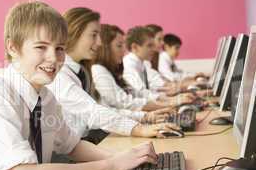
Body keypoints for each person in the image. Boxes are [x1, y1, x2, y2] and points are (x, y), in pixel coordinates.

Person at [0, 1, 158, 170]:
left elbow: (73, 146)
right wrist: (111, 165)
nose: (53, 58)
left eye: (60, 48)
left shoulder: (46, 97)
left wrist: (127, 159)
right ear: (12, 47)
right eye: (41, 47)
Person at [48, 8, 179, 142]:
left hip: (83, 143)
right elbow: (94, 112)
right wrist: (139, 127)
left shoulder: (82, 71)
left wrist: (143, 117)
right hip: (73, 149)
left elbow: (104, 109)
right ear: (73, 33)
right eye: (93, 35)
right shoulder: (60, 75)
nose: (99, 42)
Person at [92, 24, 176, 117]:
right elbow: (123, 102)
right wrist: (167, 104)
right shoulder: (98, 70)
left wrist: (168, 102)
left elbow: (135, 92)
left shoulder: (138, 65)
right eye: (119, 46)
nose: (124, 50)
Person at [122, 26, 196, 107]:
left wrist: (172, 97)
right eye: (149, 45)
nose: (154, 49)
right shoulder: (129, 65)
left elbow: (148, 90)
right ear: (135, 47)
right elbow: (141, 94)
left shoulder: (141, 63)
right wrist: (172, 100)